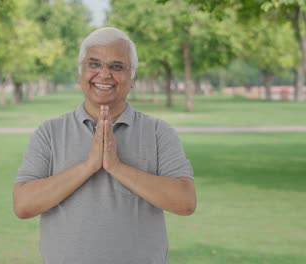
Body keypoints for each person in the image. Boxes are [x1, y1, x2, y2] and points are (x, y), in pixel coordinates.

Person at [13, 27, 196, 264]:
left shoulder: (160, 133)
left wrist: (116, 166)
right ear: (80, 73)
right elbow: (23, 205)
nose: (104, 74)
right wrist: (89, 165)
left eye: (117, 66)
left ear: (133, 77)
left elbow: (185, 202)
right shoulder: (49, 133)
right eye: (94, 64)